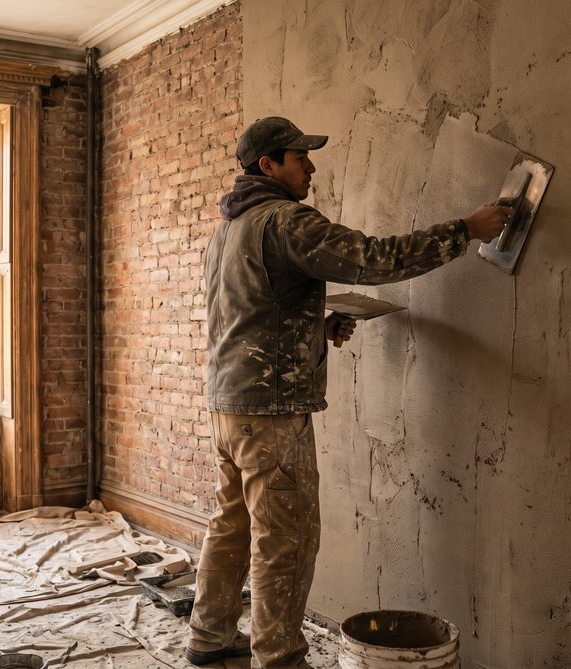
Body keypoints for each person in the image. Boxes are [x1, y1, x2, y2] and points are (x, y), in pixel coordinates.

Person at [184, 117, 511, 668]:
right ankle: (281, 658)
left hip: (228, 406)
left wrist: (317, 326)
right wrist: (466, 229)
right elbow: (375, 258)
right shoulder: (285, 220)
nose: (310, 166)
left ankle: (208, 638)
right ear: (268, 166)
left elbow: (249, 315)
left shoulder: (228, 230)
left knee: (232, 525)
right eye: (299, 157)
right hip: (270, 414)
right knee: (284, 541)